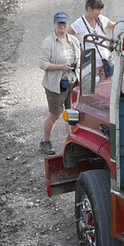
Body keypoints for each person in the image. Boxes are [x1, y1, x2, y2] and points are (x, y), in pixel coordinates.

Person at [39, 11, 79, 154]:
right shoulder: (48, 42)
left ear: (67, 24)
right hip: (55, 86)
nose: (61, 26)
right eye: (59, 23)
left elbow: (79, 57)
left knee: (72, 114)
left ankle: (73, 141)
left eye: (64, 23)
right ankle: (45, 141)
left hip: (72, 83)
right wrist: (61, 67)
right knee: (55, 115)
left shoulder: (73, 40)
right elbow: (43, 64)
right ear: (54, 24)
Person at [76, 0, 116, 88]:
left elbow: (115, 27)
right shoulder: (79, 24)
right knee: (93, 91)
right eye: (97, 10)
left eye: (100, 10)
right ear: (89, 9)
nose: (99, 12)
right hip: (91, 66)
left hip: (106, 63)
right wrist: (78, 50)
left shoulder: (101, 19)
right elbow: (67, 36)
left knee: (108, 89)